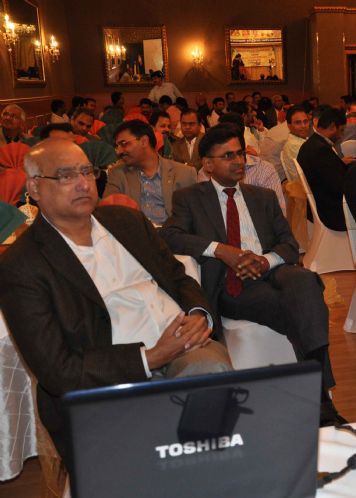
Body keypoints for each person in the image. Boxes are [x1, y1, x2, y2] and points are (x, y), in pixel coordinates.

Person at [0, 138, 231, 464]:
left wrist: (197, 314)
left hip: (185, 348)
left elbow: (179, 277)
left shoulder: (127, 222)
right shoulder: (23, 265)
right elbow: (58, 370)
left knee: (209, 374)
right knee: (161, 438)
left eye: (87, 171)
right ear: (34, 188)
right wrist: (150, 357)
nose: (83, 183)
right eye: (66, 176)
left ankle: (207, 467)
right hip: (112, 378)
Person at [159, 124, 342, 425]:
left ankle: (317, 395)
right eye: (228, 156)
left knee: (305, 281)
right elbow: (170, 235)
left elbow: (289, 245)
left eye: (240, 153)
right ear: (207, 164)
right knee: (303, 308)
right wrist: (222, 250)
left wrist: (265, 261)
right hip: (232, 282)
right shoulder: (190, 198)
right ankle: (321, 397)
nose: (238, 161)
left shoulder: (262, 197)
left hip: (271, 269)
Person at [104, 120, 197, 224]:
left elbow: (195, 217)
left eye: (124, 144)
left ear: (144, 141)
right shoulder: (117, 174)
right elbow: (108, 212)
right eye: (117, 146)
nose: (119, 151)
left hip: (173, 232)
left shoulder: (185, 173)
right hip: (136, 231)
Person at [297, 107, 354, 231]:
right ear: (332, 127)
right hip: (330, 210)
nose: (341, 136)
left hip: (321, 202)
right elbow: (339, 187)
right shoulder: (321, 150)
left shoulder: (312, 143)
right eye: (341, 130)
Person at [280, 106, 310, 182]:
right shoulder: (294, 145)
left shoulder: (303, 140)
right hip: (305, 186)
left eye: (305, 121)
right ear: (289, 125)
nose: (303, 126)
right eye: (298, 123)